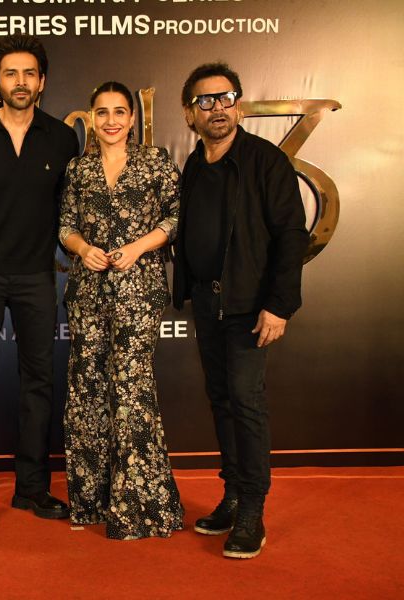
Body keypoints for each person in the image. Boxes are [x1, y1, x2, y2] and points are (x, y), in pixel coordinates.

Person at [173, 62, 308, 558]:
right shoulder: (193, 165)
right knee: (222, 400)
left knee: (247, 403)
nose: (218, 108)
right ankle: (231, 495)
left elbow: (292, 235)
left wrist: (279, 305)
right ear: (189, 113)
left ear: (239, 106)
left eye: (226, 98)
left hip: (250, 306)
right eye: (206, 101)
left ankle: (252, 508)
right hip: (208, 302)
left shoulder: (265, 161)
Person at [0, 34, 79, 533]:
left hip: (35, 275)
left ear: (41, 81)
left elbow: (67, 208)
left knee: (39, 381)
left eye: (29, 73)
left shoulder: (62, 139)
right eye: (10, 73)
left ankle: (32, 488)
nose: (20, 82)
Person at [59, 81, 184, 540]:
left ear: (132, 119)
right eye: (102, 112)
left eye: (119, 112)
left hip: (138, 289)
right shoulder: (79, 168)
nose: (110, 120)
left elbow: (175, 217)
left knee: (131, 390)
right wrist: (82, 248)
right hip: (88, 292)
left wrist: (138, 247)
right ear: (92, 118)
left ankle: (139, 509)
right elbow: (65, 225)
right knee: (87, 389)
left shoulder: (155, 161)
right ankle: (92, 502)